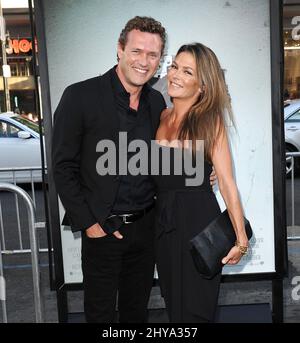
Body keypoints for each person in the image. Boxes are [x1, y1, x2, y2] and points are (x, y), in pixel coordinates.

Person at [52, 16, 216, 323]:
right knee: (99, 315)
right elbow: (62, 167)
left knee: (136, 313)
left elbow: (164, 155)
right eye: (137, 51)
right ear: (120, 49)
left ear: (159, 59)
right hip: (102, 229)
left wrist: (204, 169)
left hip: (147, 228)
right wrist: (89, 223)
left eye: (153, 55)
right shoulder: (80, 96)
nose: (144, 61)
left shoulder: (157, 103)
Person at [153, 43, 249, 323]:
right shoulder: (161, 116)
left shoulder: (210, 121)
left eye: (187, 71)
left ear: (203, 85)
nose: (175, 75)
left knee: (196, 311)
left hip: (198, 226)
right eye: (174, 67)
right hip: (163, 225)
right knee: (173, 306)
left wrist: (241, 240)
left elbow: (228, 183)